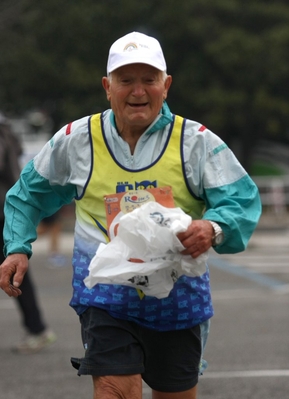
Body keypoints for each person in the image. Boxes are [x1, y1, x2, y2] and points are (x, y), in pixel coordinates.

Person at [0, 32, 261, 398]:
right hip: (105, 299)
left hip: (180, 301)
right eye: (126, 81)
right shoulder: (77, 139)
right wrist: (17, 247)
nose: (138, 91)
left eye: (149, 80)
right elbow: (26, 194)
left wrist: (213, 227)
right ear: (107, 87)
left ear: (166, 85)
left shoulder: (197, 141)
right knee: (114, 388)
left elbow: (242, 200)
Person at [0, 113, 56, 354]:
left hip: (3, 209)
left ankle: (38, 329)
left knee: (14, 272)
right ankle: (37, 329)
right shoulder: (7, 130)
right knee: (15, 271)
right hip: (6, 208)